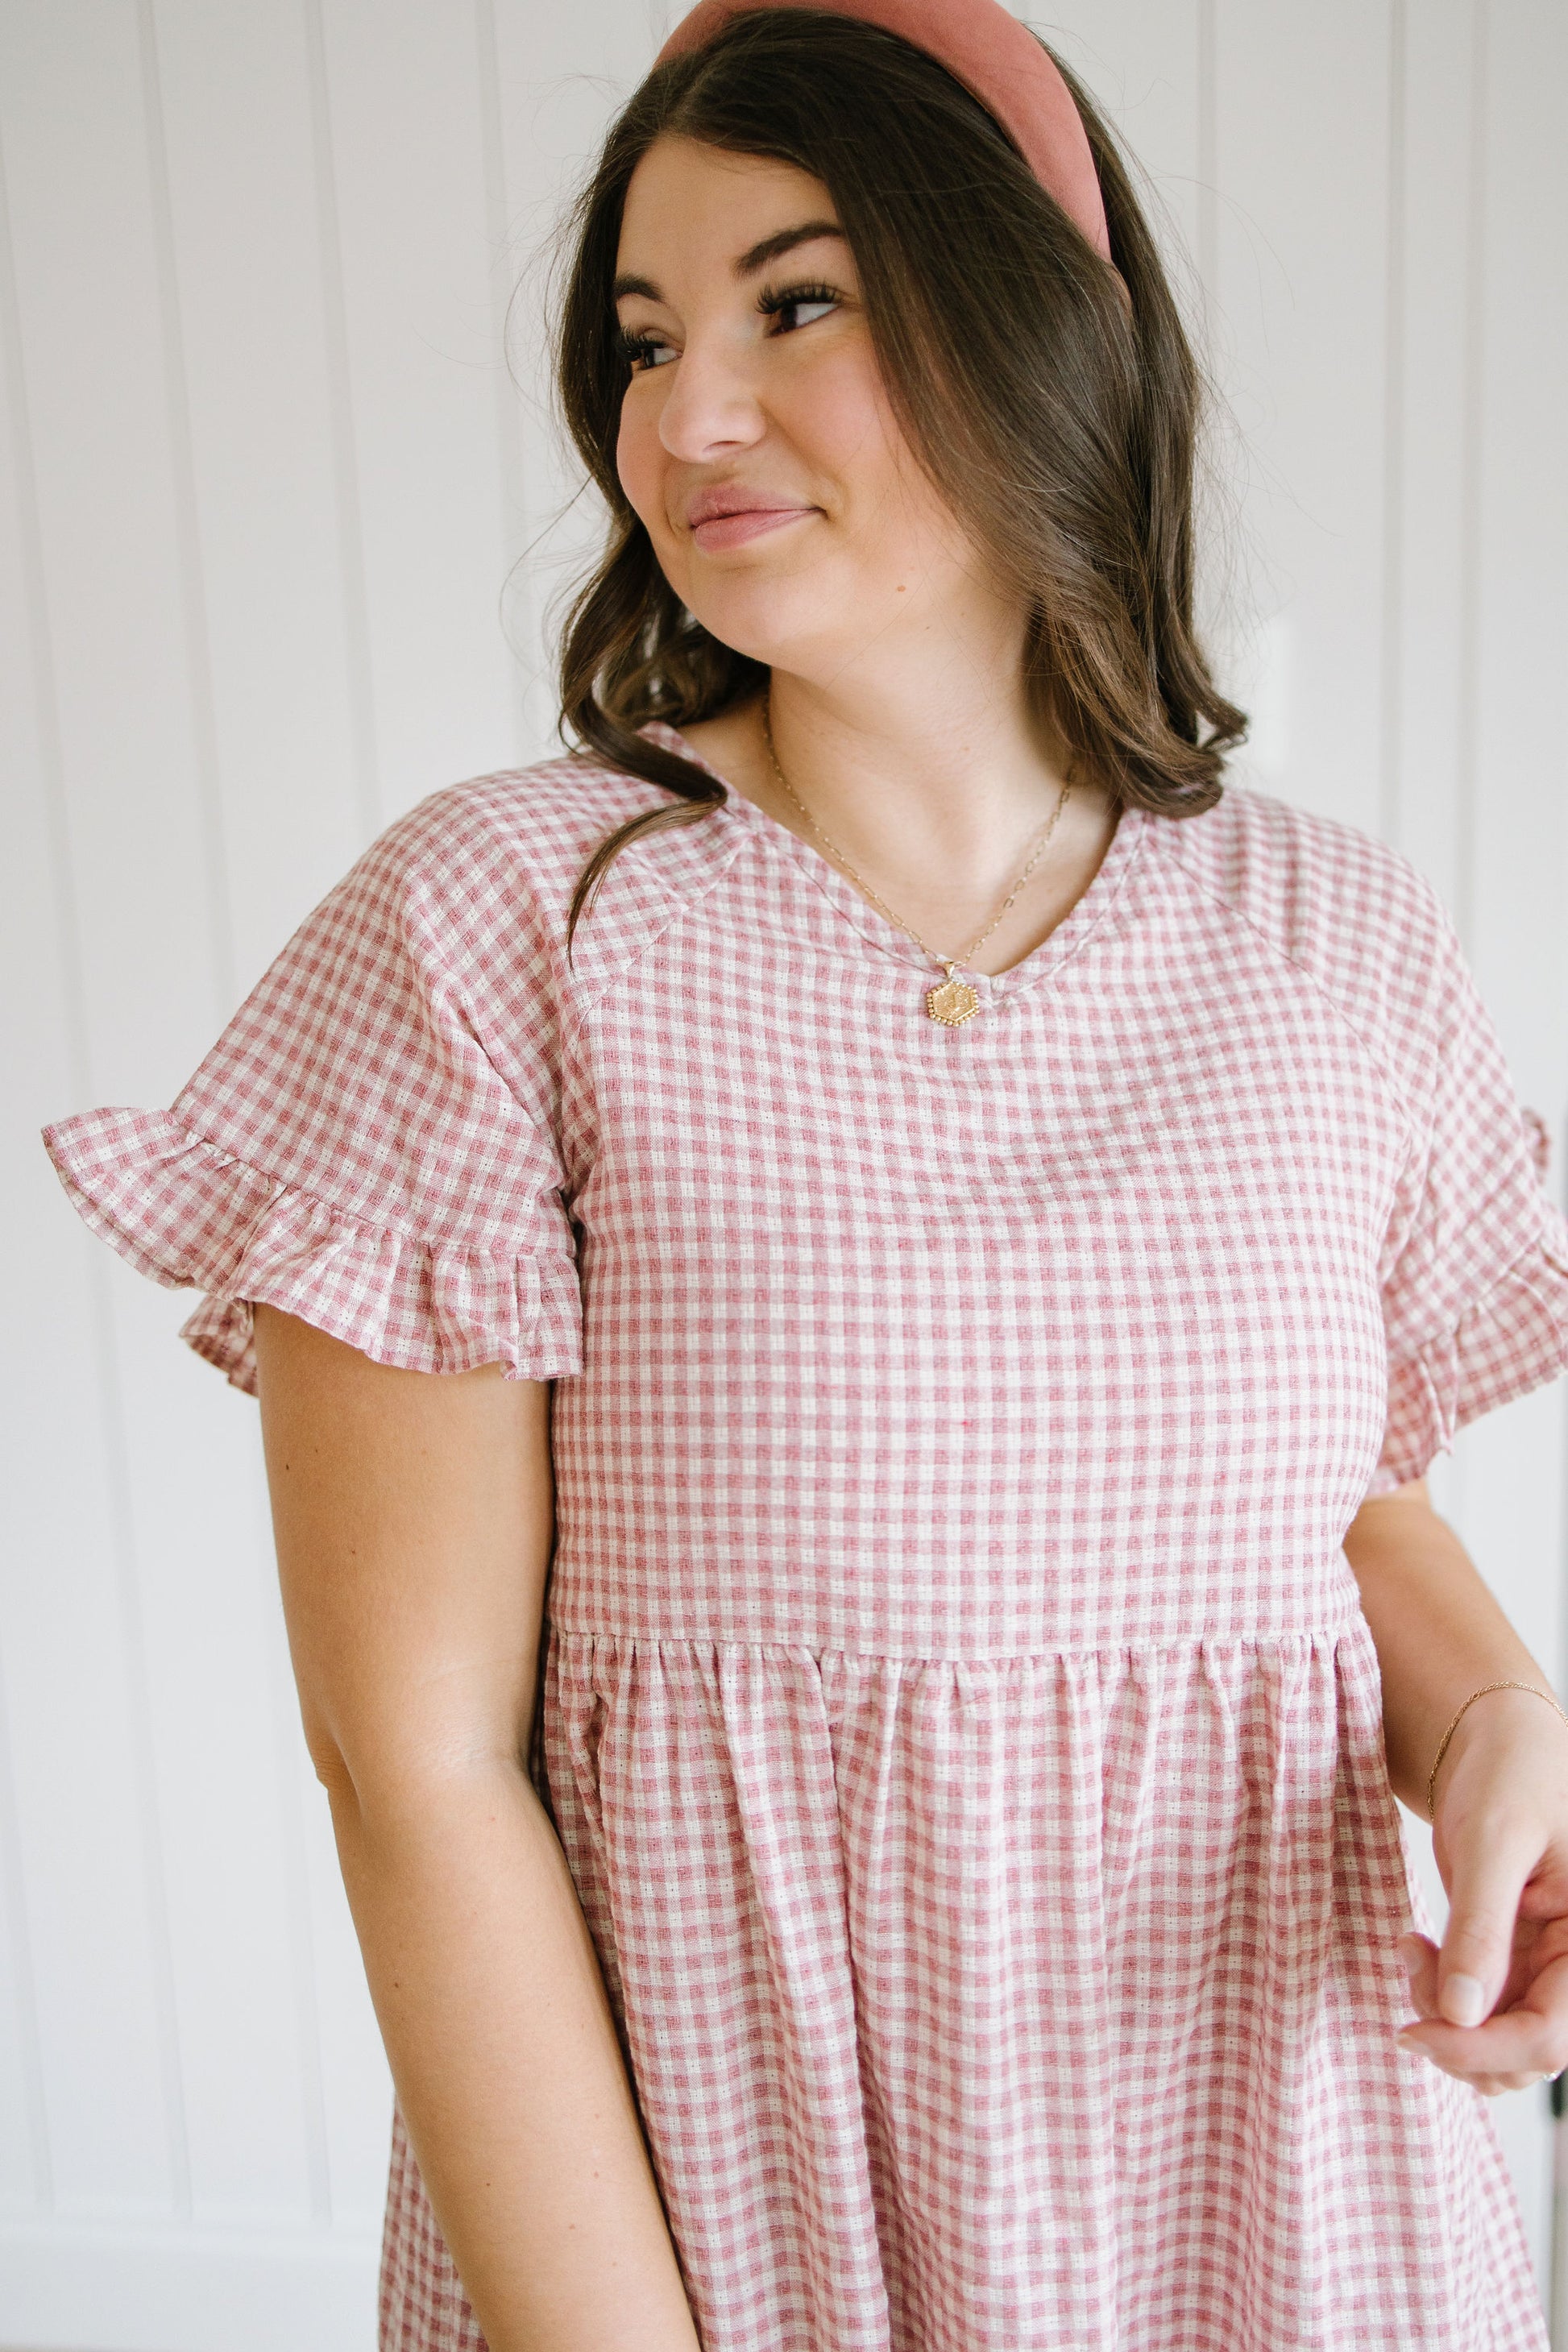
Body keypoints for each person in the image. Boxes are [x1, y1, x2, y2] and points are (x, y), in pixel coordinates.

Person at [39, 3, 1568, 2346]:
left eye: (799, 301)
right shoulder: (504, 925)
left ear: (1041, 336)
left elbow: (1322, 1511)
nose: (683, 419)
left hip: (1286, 2189)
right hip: (733, 2214)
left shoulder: (1334, 936)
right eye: (647, 338)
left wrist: (1490, 1732)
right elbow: (414, 1769)